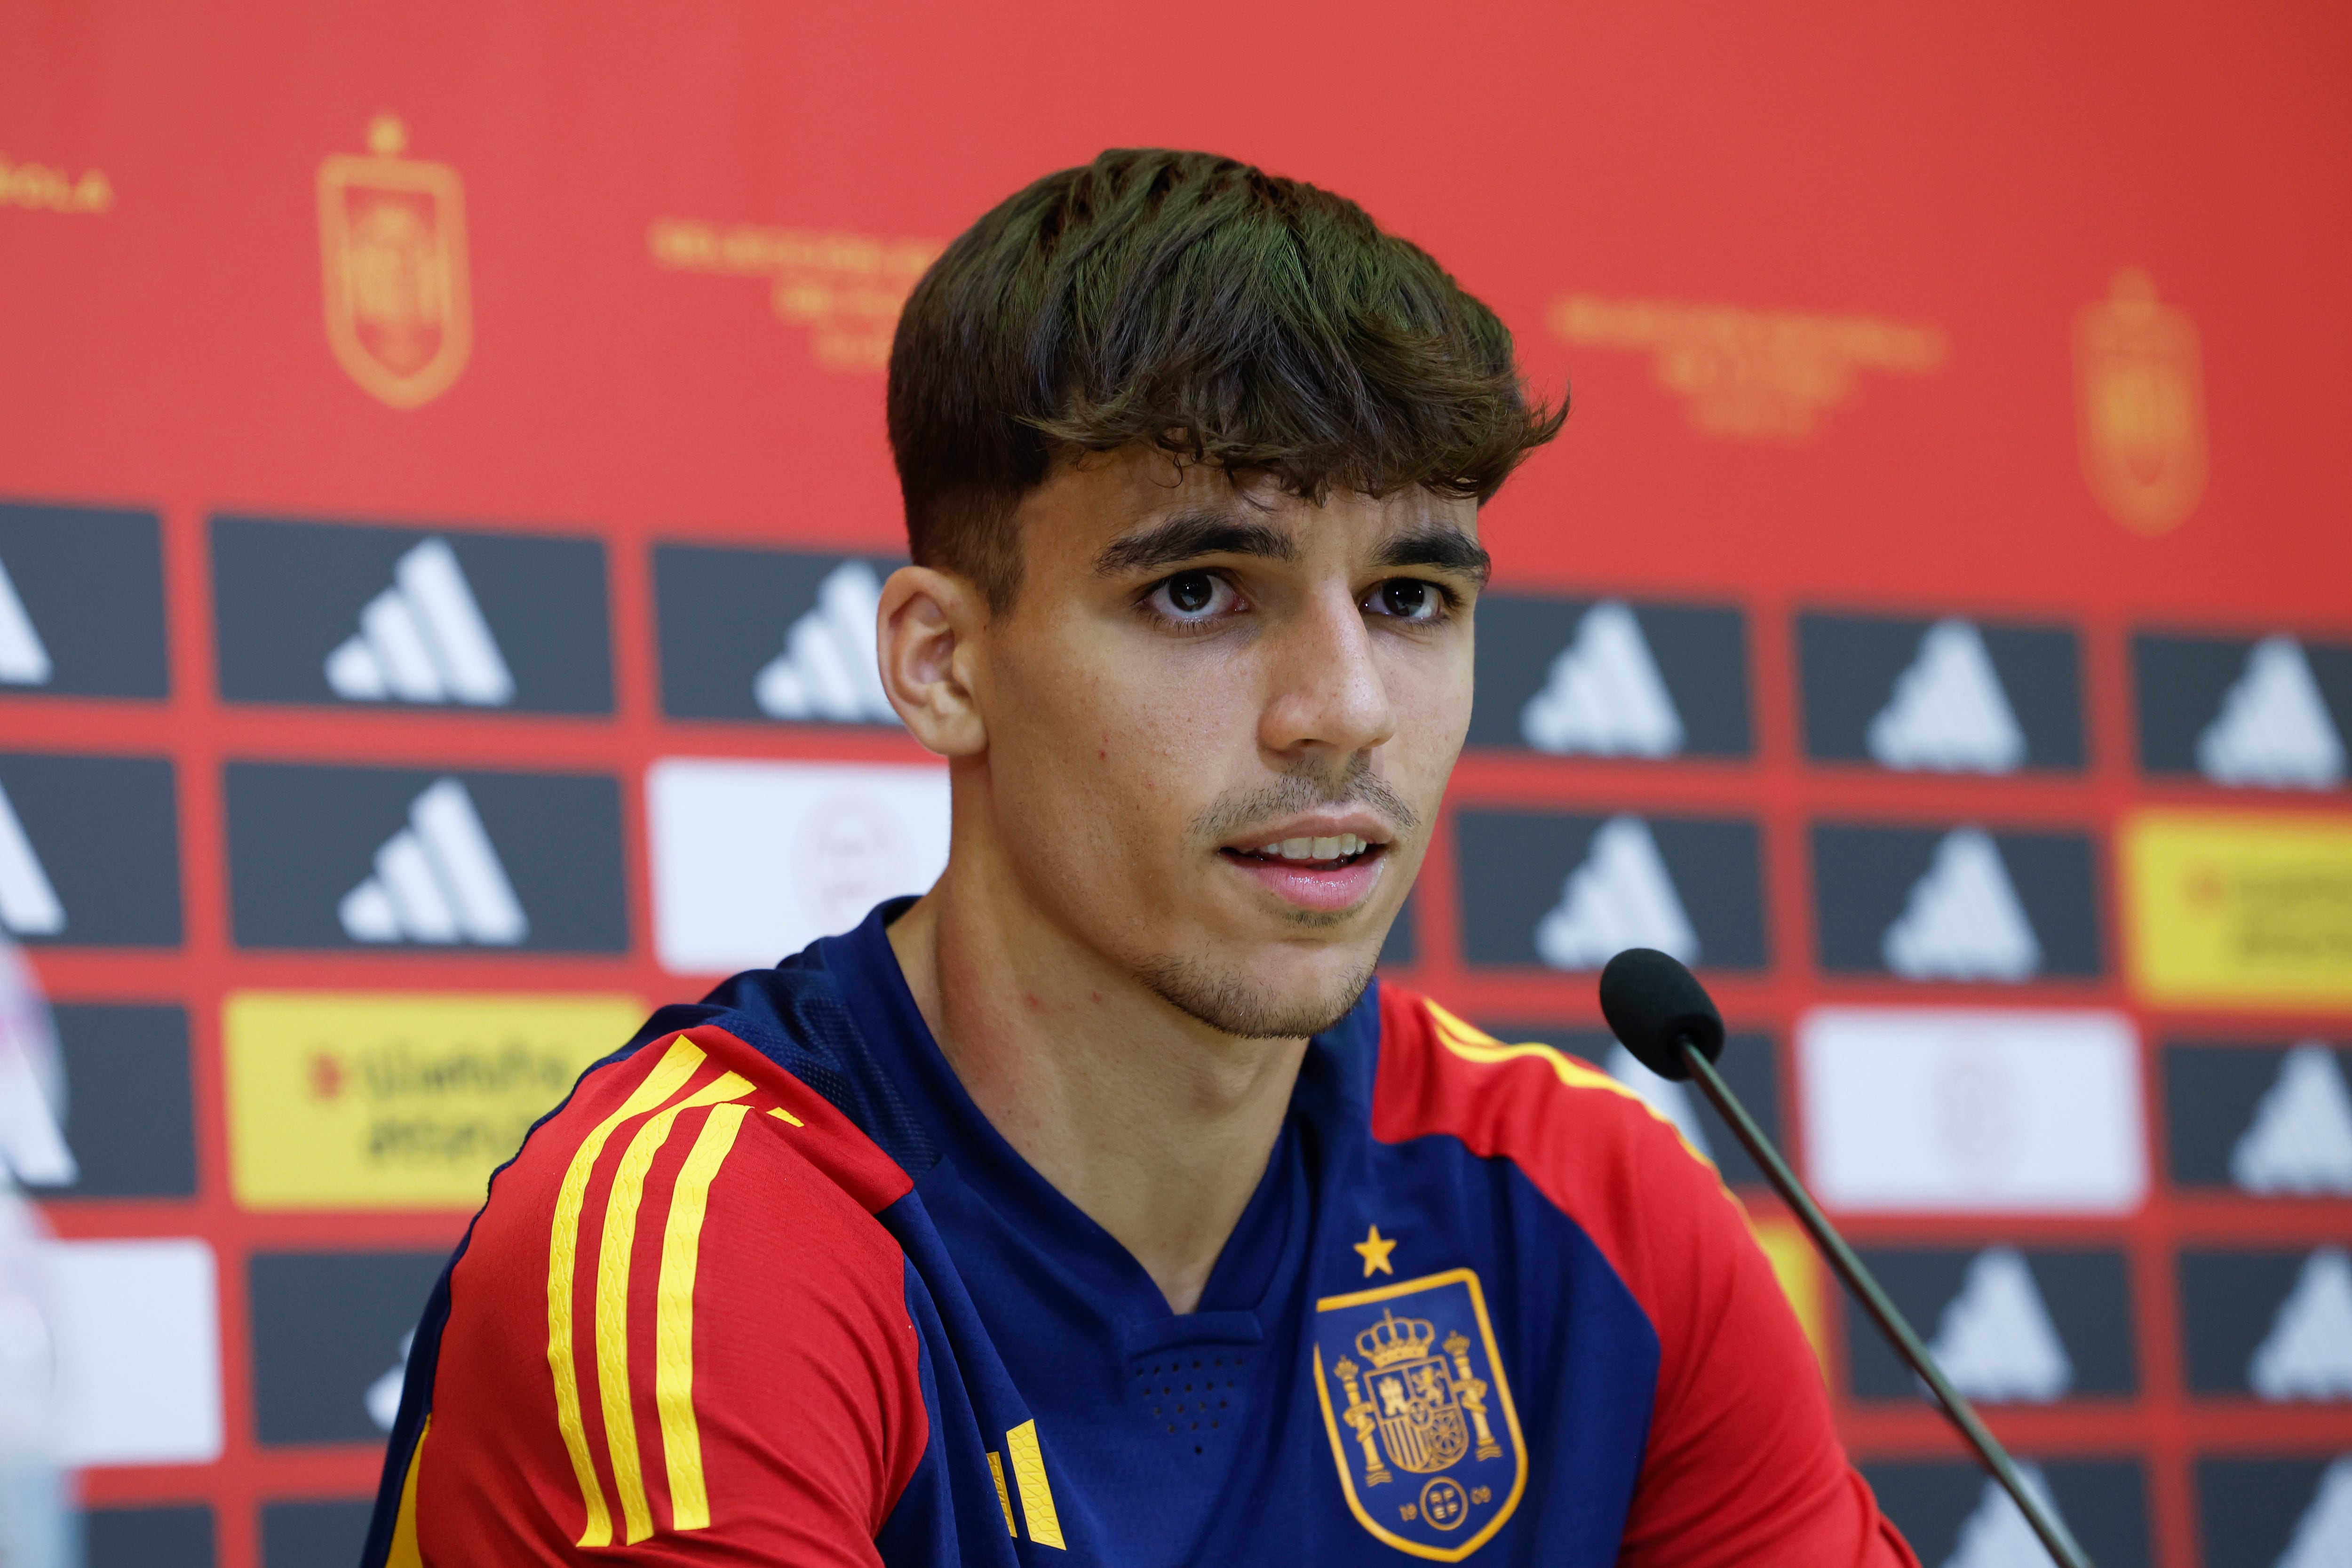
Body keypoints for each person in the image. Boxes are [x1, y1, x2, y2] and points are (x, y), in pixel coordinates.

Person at [363, 148, 1916, 1567]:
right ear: (942, 664)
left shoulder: (1599, 1208)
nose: (1344, 713)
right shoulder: (705, 1251)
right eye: (1199, 592)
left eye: (1411, 600)